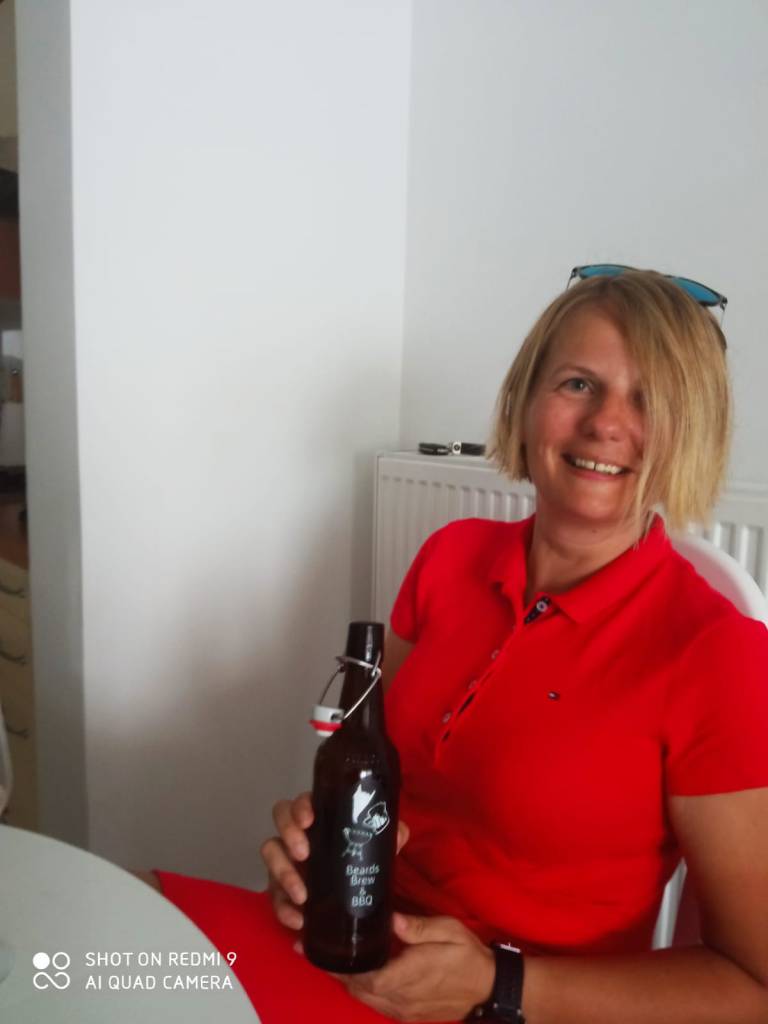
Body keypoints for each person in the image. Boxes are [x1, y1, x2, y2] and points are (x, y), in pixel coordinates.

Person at [152, 268, 768, 1023]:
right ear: (525, 401)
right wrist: (323, 859)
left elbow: (753, 985)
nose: (606, 424)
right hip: (351, 950)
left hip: (519, 1006)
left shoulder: (718, 653)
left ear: (692, 432)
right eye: (578, 384)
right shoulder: (450, 557)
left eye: (649, 399)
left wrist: (499, 985)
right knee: (101, 947)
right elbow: (378, 774)